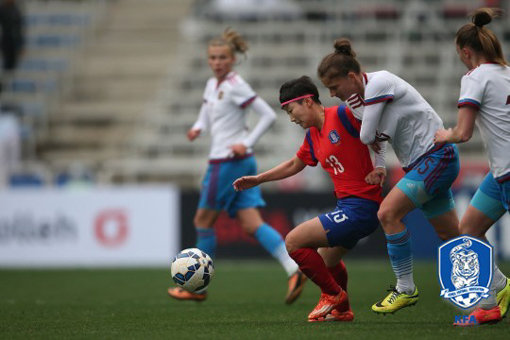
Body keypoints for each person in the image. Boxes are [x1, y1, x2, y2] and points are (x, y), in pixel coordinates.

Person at [317, 38, 461, 314]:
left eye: (334, 87)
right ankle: (498, 284)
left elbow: (367, 136)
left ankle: (405, 288)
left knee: (387, 214)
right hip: (420, 163)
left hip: (437, 156)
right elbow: (377, 140)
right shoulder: (358, 103)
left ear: (351, 76)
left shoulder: (380, 82)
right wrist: (380, 164)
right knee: (453, 235)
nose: (333, 94)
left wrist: (374, 144)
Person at [167, 28, 306, 303]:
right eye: (213, 57)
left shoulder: (235, 85)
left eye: (222, 57)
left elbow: (267, 115)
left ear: (232, 60)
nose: (217, 62)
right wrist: (197, 128)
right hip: (237, 162)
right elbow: (206, 114)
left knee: (203, 220)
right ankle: (294, 268)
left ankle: (197, 287)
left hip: (227, 163)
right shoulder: (212, 85)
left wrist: (247, 141)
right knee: (252, 223)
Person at [234, 76, 386, 322]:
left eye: (291, 110)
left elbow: (380, 131)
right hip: (348, 206)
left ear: (307, 101)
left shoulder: (344, 115)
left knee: (293, 241)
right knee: (326, 260)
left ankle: (332, 294)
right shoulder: (313, 135)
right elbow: (296, 164)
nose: (292, 118)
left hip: (362, 206)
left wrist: (380, 166)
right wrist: (259, 179)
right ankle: (342, 308)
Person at [435, 7, 510, 325]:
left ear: (466, 52)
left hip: (507, 171)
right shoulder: (507, 73)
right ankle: (498, 292)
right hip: (500, 173)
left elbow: (463, 134)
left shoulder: (475, 77)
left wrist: (443, 135)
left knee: (468, 232)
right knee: (468, 230)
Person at [0, 0, 24, 72]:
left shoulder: (16, 9)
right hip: (6, 40)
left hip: (14, 41)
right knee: (7, 64)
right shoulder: (2, 9)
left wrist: (20, 44)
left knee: (13, 65)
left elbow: (19, 27)